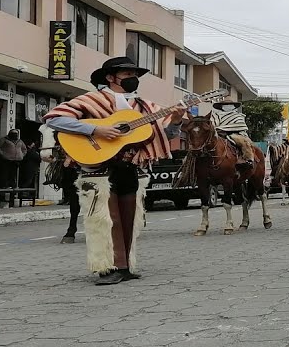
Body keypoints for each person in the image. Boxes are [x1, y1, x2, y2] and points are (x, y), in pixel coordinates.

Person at [44, 57, 184, 285]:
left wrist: (176, 120)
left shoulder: (145, 107)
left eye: (135, 75)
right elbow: (55, 119)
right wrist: (96, 129)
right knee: (106, 219)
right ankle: (106, 267)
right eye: (128, 75)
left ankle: (125, 266)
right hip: (98, 169)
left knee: (129, 217)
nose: (133, 79)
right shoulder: (92, 100)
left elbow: (163, 136)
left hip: (130, 168)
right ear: (110, 77)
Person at [212, 100, 257, 167]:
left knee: (244, 143)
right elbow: (213, 125)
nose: (227, 106)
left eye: (230, 104)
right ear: (221, 106)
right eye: (225, 105)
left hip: (236, 134)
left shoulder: (239, 116)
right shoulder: (216, 115)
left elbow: (240, 126)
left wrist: (227, 129)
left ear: (233, 106)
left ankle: (248, 159)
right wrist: (219, 130)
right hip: (219, 133)